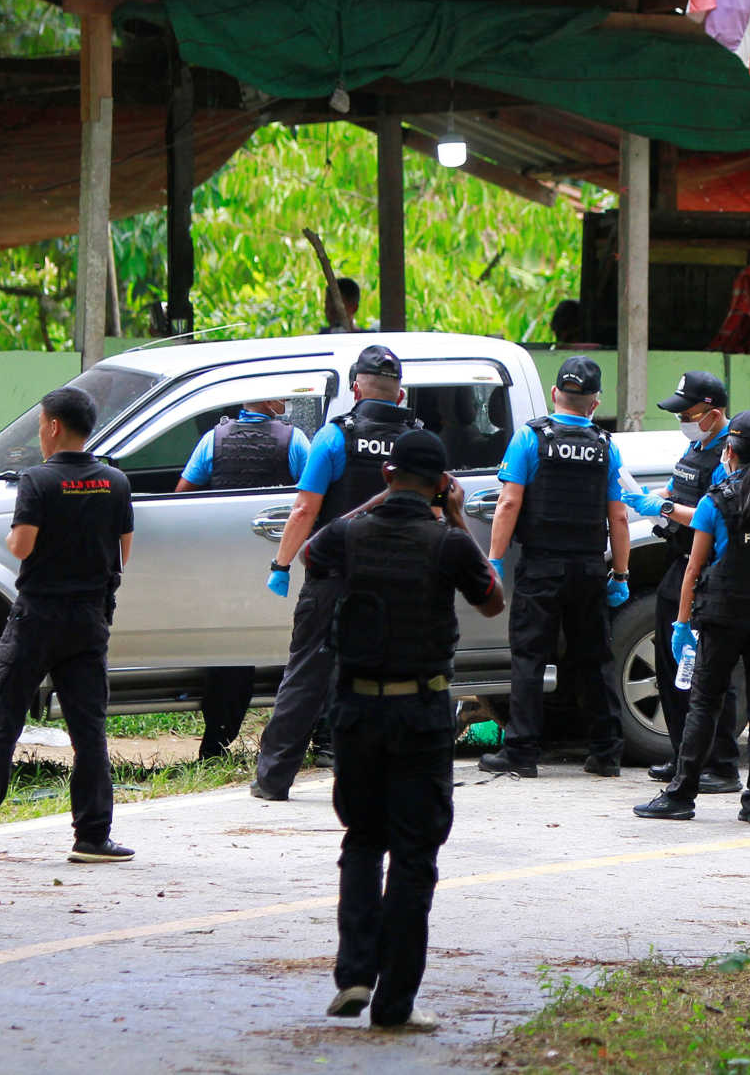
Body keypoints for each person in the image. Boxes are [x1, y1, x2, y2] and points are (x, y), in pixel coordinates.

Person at [308, 429, 503, 1032]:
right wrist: (457, 515)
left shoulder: (348, 533)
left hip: (356, 712)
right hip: (421, 715)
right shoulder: (448, 543)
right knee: (415, 857)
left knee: (362, 842)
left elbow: (311, 550)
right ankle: (394, 1004)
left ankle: (354, 974)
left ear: (387, 473)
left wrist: (374, 500)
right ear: (443, 483)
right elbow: (493, 600)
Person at [0, 387, 135, 864]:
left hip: (38, 617)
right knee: (89, 731)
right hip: (89, 619)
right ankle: (93, 837)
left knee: (1, 724)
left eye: (42, 423)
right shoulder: (115, 483)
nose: (41, 431)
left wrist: (15, 534)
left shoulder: (38, 482)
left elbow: (21, 546)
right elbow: (124, 552)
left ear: (54, 426)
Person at [253, 346, 418, 800]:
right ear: (400, 393)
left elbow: (305, 508)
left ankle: (273, 779)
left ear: (353, 388)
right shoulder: (416, 442)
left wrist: (281, 564)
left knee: (307, 672)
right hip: (398, 583)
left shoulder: (335, 436)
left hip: (336, 580)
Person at [635, 410, 750, 825]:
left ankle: (682, 794)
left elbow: (693, 568)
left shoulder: (717, 501)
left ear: (729, 450)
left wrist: (680, 623)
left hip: (725, 616)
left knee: (705, 701)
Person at [478, 356, 629, 779]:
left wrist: (493, 560)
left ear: (554, 395)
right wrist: (621, 573)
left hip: (542, 565)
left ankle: (522, 753)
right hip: (588, 568)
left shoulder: (531, 439)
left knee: (529, 657)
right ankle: (605, 752)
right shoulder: (605, 444)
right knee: (593, 658)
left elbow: (508, 503)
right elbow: (618, 516)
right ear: (595, 403)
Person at [175, 398, 314, 760]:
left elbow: (181, 498)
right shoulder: (295, 440)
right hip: (278, 563)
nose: (287, 400)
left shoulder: (213, 440)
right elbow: (313, 498)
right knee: (296, 648)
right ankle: (293, 742)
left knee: (229, 653)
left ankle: (216, 741)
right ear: (267, 399)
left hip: (227, 567)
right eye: (281, 393)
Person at [623, 371, 740, 790]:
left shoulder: (729, 455)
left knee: (709, 669)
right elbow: (678, 490)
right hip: (680, 561)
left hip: (709, 569)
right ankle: (684, 756)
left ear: (714, 413)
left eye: (689, 413)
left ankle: (722, 764)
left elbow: (715, 515)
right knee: (671, 663)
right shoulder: (695, 446)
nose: (683, 420)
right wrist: (656, 499)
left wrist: (665, 507)